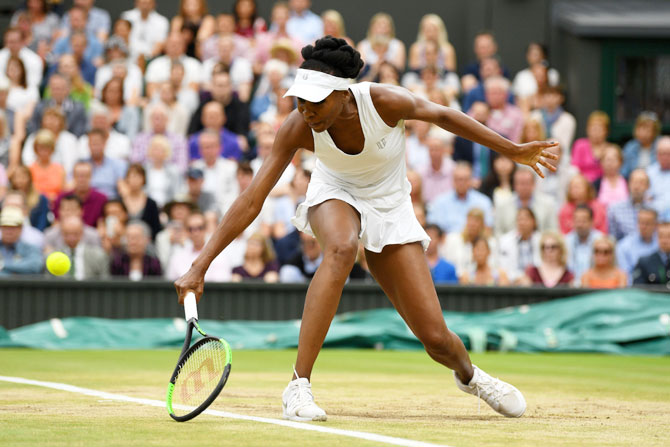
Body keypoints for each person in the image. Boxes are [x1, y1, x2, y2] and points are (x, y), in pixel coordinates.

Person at [174, 37, 558, 421]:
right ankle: (298, 385)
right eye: (300, 100)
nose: (305, 110)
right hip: (334, 191)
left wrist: (513, 150)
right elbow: (252, 199)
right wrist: (200, 264)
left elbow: (443, 116)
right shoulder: (297, 127)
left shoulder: (385, 101)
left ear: (344, 94)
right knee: (341, 248)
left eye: (316, 100)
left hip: (391, 204)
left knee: (437, 339)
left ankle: (471, 376)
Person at [166, 212, 231, 281]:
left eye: (200, 228)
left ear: (206, 229)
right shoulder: (177, 256)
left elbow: (222, 281)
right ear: (186, 231)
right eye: (191, 229)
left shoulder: (219, 255)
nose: (196, 233)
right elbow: (171, 281)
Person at [53, 161, 107, 227]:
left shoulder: (101, 199)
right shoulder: (61, 198)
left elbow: (102, 223)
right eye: (79, 176)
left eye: (86, 176)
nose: (82, 179)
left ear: (91, 176)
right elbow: (56, 222)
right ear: (73, 176)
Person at [54, 215, 110, 279]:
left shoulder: (98, 256)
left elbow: (105, 282)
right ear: (61, 233)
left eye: (75, 234)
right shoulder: (53, 255)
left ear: (82, 233)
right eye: (67, 234)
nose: (71, 238)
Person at [497, 207, 541, 284]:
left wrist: (531, 278)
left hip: (537, 283)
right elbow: (503, 266)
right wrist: (517, 278)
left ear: (534, 222)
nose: (522, 223)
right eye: (519, 219)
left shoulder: (542, 240)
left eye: (526, 219)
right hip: (513, 283)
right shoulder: (505, 240)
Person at [607, 169, 653, 241]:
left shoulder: (653, 210)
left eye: (641, 183)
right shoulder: (615, 209)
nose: (637, 187)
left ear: (648, 186)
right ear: (629, 184)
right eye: (634, 182)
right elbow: (612, 238)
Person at [616, 207, 659, 282]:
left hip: (660, 288)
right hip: (635, 290)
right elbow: (625, 276)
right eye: (641, 222)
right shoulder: (624, 246)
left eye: (647, 223)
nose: (643, 227)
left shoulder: (662, 243)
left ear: (656, 225)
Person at [564, 204, 603, 283]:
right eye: (577, 221)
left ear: (592, 222)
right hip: (570, 286)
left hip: (595, 284)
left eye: (583, 221)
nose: (580, 225)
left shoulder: (601, 240)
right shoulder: (565, 241)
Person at [0, 206, 43, 276]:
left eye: (13, 227)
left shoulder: (31, 248)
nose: (9, 231)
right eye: (5, 226)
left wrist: (3, 265)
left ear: (21, 228)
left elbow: (35, 266)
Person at [571, 111, 610, 184]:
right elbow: (574, 169)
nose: (596, 132)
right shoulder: (580, 145)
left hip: (603, 185)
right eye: (593, 128)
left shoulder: (610, 149)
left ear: (606, 131)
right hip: (583, 185)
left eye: (599, 129)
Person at [621, 111, 661, 179]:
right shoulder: (630, 147)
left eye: (647, 129)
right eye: (640, 128)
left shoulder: (661, 146)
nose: (643, 132)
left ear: (654, 131)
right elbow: (624, 173)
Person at [632, 221, 670, 286]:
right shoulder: (644, 262)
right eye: (661, 236)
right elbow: (638, 288)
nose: (664, 240)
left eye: (668, 236)